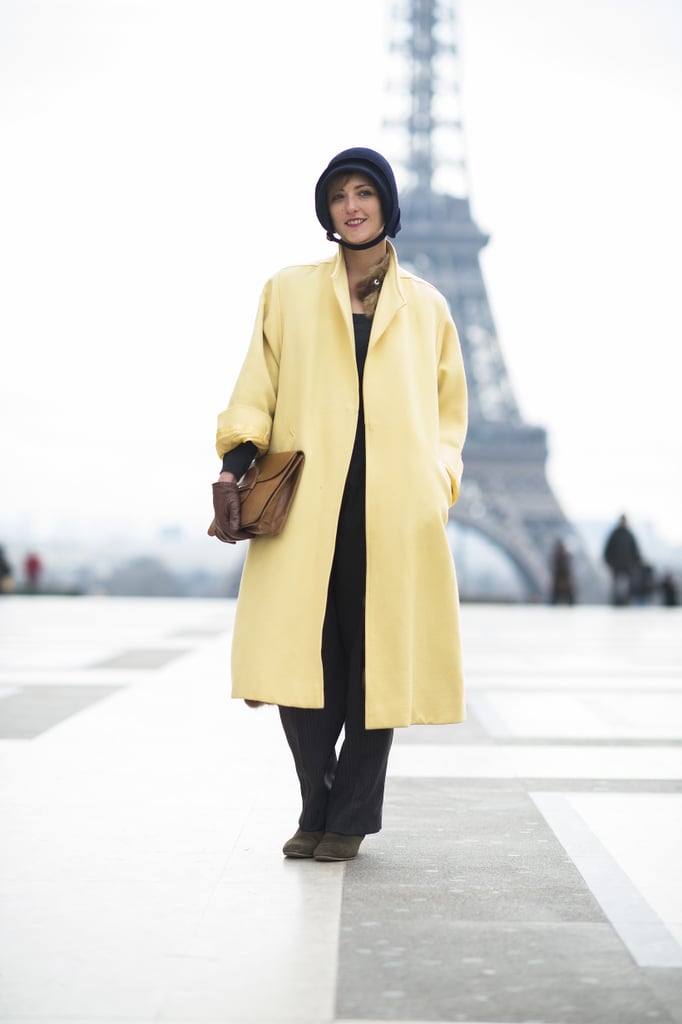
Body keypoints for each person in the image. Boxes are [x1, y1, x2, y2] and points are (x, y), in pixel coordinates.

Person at [211, 147, 468, 862]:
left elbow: (451, 416)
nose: (351, 206)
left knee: (374, 670)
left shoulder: (431, 307)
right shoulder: (288, 291)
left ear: (388, 204)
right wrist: (235, 464)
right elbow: (256, 384)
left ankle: (347, 817)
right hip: (304, 508)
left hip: (394, 513)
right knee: (301, 663)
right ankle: (315, 802)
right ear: (326, 211)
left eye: (365, 193)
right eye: (338, 196)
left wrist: (437, 482)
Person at [603, 514, 641, 606]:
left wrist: (636, 563)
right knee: (616, 588)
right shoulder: (615, 534)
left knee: (626, 588)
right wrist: (609, 562)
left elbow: (635, 551)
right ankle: (616, 604)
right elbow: (608, 550)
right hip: (617, 566)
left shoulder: (629, 535)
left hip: (627, 567)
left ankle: (625, 604)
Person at [550, 539, 575, 605]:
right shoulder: (556, 558)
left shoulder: (567, 558)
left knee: (570, 600)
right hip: (558, 582)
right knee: (554, 600)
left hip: (566, 582)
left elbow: (569, 571)